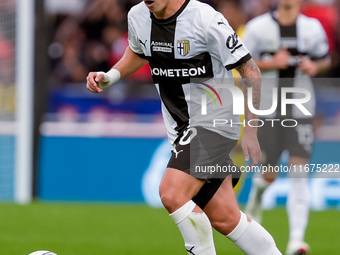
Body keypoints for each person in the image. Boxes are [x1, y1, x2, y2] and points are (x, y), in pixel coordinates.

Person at [86, 0, 282, 254]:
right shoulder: (138, 16)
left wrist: (252, 131)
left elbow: (251, 71)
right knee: (225, 218)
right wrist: (110, 76)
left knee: (171, 193)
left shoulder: (206, 19)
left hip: (215, 122)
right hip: (181, 130)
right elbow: (138, 51)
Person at [243, 0, 331, 254]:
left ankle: (296, 241)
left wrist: (315, 66)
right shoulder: (258, 28)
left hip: (301, 109)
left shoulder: (312, 28)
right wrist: (272, 63)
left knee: (299, 173)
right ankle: (257, 197)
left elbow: (324, 59)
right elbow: (240, 66)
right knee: (267, 175)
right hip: (269, 110)